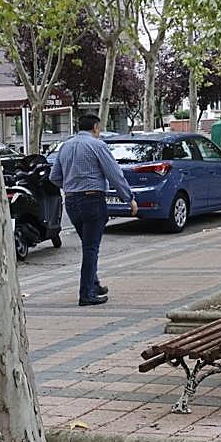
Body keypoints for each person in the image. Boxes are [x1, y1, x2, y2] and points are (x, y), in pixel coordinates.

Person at [48, 113, 138, 306]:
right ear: (96, 127)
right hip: (92, 200)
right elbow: (114, 174)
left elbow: (54, 177)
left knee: (88, 244)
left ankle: (94, 284)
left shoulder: (65, 147)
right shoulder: (98, 145)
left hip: (71, 202)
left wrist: (71, 186)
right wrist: (129, 198)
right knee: (91, 248)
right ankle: (86, 294)